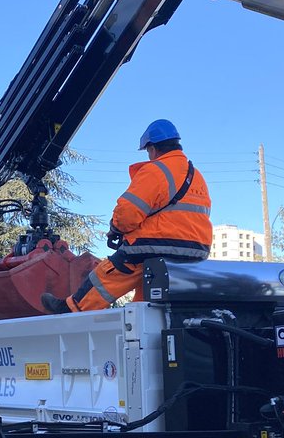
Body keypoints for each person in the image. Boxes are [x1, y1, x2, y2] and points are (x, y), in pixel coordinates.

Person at [41, 119, 212, 314]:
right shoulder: (196, 176)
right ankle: (144, 319)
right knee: (149, 289)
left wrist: (115, 228)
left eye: (148, 151)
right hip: (197, 250)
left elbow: (128, 214)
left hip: (159, 244)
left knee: (114, 270)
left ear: (153, 148)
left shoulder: (156, 170)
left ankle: (72, 307)